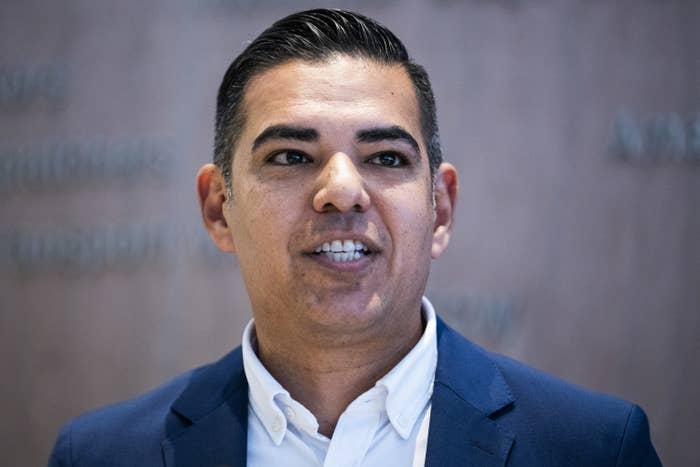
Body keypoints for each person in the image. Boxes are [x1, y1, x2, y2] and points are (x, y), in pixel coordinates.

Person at [48, 9, 661, 467]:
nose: (341, 190)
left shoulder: (594, 447)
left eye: (387, 158)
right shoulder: (100, 455)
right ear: (218, 208)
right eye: (290, 155)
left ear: (440, 208)